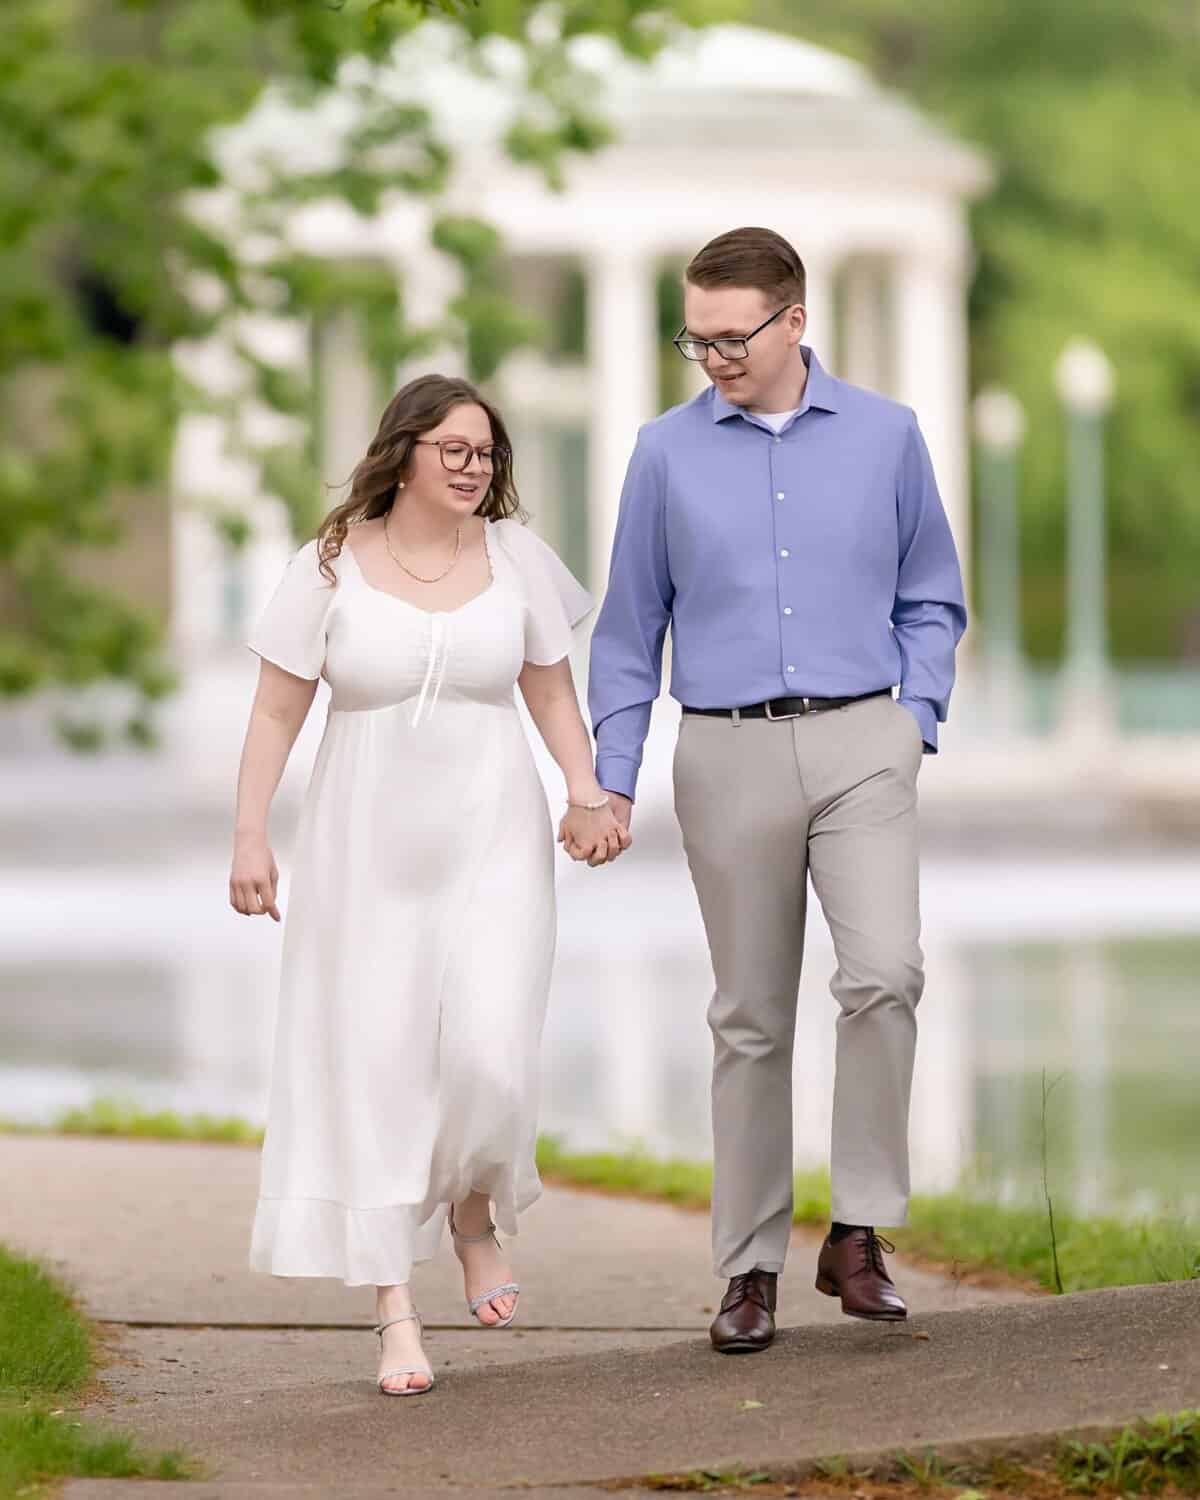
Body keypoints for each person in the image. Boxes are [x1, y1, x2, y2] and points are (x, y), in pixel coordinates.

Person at [588, 227, 967, 1354]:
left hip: (864, 743)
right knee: (750, 1019)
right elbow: (628, 631)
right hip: (725, 750)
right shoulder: (663, 453)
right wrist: (613, 779)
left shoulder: (889, 437)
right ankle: (748, 1268)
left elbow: (932, 595)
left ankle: (857, 1231)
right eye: (695, 339)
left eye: (732, 337)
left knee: (886, 974)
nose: (713, 358)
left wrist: (915, 718)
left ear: (794, 321)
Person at [229, 374, 629, 1395]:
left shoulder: (516, 559)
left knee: (492, 1053)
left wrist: (586, 792)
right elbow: (275, 711)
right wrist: (251, 836)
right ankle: (395, 1312)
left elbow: (551, 689)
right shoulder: (328, 565)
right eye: (454, 448)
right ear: (402, 452)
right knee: (377, 1067)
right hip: (362, 848)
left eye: (486, 452)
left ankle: (472, 1213)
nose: (473, 467)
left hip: (493, 836)